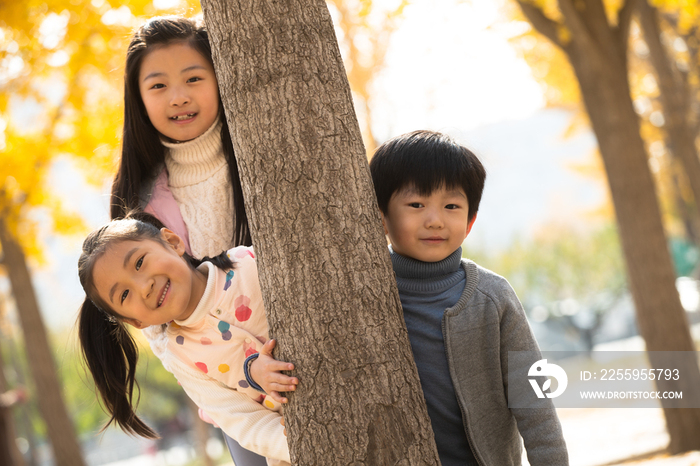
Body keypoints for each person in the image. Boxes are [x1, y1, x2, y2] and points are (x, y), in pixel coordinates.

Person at [109, 15, 269, 464]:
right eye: (158, 86)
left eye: (194, 78)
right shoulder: (139, 203)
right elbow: (161, 326)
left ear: (220, 78)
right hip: (234, 385)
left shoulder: (260, 149)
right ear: (138, 99)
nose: (179, 97)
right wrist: (244, 372)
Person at [367, 130, 568, 465]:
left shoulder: (492, 297)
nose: (434, 220)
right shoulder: (363, 295)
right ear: (381, 217)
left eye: (451, 206)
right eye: (416, 204)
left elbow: (535, 404)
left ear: (470, 221)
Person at [76, 215, 297, 465]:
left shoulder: (248, 263)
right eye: (125, 294)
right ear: (136, 323)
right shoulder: (182, 356)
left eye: (139, 263)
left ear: (172, 242)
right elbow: (240, 419)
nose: (144, 287)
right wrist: (298, 444)